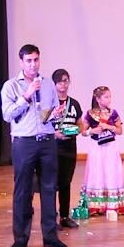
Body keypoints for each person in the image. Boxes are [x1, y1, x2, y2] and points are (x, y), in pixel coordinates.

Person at [1, 44, 67, 247]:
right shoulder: (11, 86)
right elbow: (7, 115)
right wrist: (26, 95)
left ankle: (50, 236)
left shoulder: (48, 84)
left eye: (36, 60)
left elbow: (49, 112)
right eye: (28, 60)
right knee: (23, 191)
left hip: (47, 141)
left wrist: (55, 114)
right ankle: (21, 238)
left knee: (49, 188)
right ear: (21, 62)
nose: (33, 64)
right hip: (24, 142)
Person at [81, 86, 124, 215]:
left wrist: (110, 127)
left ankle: (112, 203)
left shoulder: (113, 113)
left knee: (111, 171)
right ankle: (96, 203)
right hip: (96, 146)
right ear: (98, 99)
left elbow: (119, 131)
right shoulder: (90, 114)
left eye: (110, 97)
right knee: (97, 171)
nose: (109, 99)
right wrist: (92, 131)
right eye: (106, 97)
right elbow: (83, 132)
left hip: (110, 146)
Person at [51, 69, 83, 230]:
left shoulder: (74, 103)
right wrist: (54, 133)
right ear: (54, 83)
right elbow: (42, 124)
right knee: (51, 184)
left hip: (69, 148)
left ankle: (64, 216)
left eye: (66, 80)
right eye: (60, 81)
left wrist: (76, 130)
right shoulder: (49, 102)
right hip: (52, 148)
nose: (64, 84)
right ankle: (51, 218)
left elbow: (81, 124)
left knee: (66, 183)